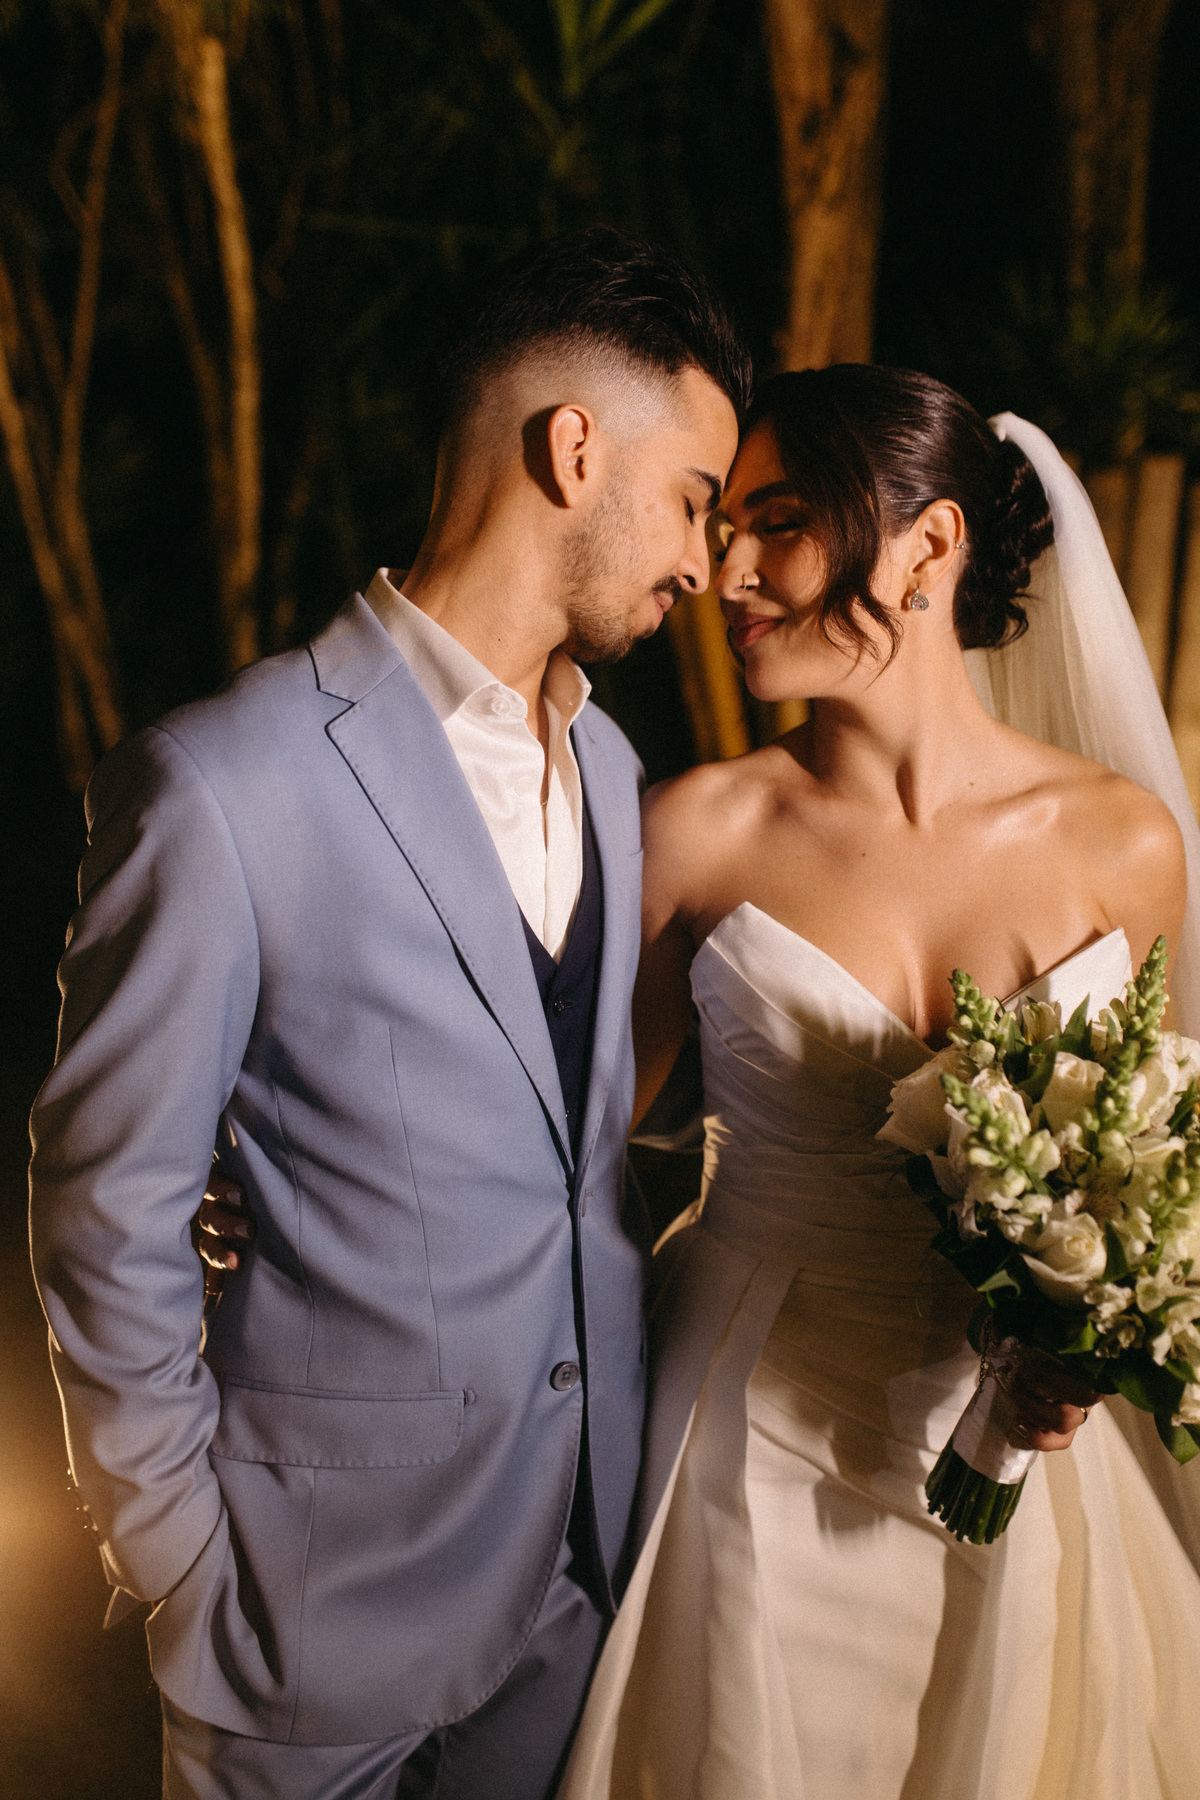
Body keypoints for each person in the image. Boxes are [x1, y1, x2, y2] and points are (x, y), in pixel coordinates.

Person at [27, 226, 747, 1800]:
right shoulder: (223, 782)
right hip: (301, 1613)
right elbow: (105, 1202)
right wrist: (173, 1553)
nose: (705, 562)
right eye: (694, 498)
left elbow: (564, 1138)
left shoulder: (614, 770)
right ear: (573, 451)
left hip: (568, 1588)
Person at [556, 366, 1200, 1800]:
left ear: (929, 545)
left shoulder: (1127, 845)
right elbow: (562, 1161)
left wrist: (1094, 1340)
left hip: (1019, 1462)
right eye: (726, 525)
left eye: (779, 522)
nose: (726, 571)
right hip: (743, 1438)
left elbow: (1151, 1180)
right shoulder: (694, 834)